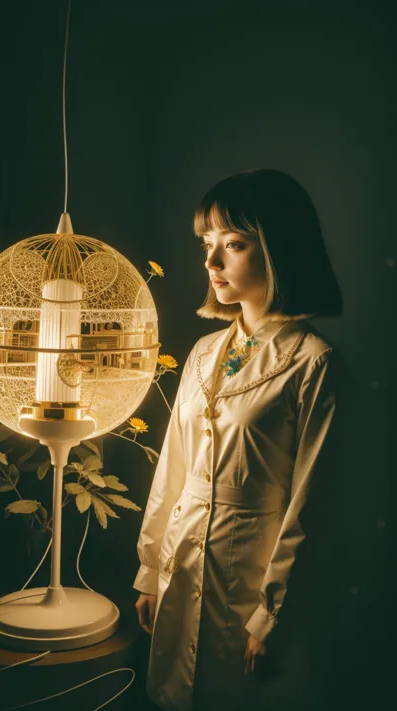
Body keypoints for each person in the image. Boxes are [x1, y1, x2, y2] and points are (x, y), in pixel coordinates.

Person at [133, 168, 343, 711]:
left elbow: (311, 503)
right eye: (207, 244)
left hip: (251, 573)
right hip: (182, 560)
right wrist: (150, 569)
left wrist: (272, 613)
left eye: (234, 244)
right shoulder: (204, 352)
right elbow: (173, 470)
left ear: (277, 248)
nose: (211, 262)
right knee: (173, 693)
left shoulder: (313, 362)